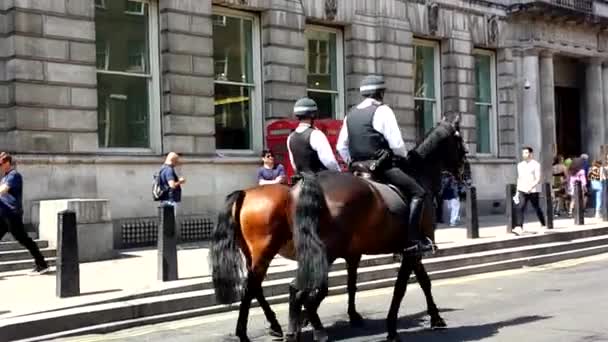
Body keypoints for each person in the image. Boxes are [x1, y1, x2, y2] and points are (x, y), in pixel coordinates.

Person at [336, 75, 433, 254]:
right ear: (380, 93)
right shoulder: (382, 110)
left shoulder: (351, 114)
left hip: (357, 169)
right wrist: (403, 156)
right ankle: (413, 239)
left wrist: (352, 161)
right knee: (418, 192)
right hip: (381, 167)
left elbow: (341, 146)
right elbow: (396, 144)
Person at [0, 152, 49, 275]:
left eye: (1, 164)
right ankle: (42, 264)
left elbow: (3, 190)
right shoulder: (4, 177)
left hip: (12, 214)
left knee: (24, 240)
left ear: (7, 163)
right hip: (4, 215)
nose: (0, 167)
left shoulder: (14, 175)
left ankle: (42, 264)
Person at [286, 97, 341, 175]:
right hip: (319, 180)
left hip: (301, 179)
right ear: (313, 114)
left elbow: (293, 164)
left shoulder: (290, 137)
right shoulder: (316, 134)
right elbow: (329, 161)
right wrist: (338, 171)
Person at [513, 146, 545, 235]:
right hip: (522, 189)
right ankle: (519, 227)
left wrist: (531, 187)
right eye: (523, 153)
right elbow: (519, 178)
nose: (524, 155)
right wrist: (517, 191)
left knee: (536, 207)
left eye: (526, 153)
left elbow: (538, 178)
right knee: (520, 207)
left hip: (533, 190)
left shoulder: (536, 164)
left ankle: (543, 224)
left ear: (531, 154)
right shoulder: (520, 165)